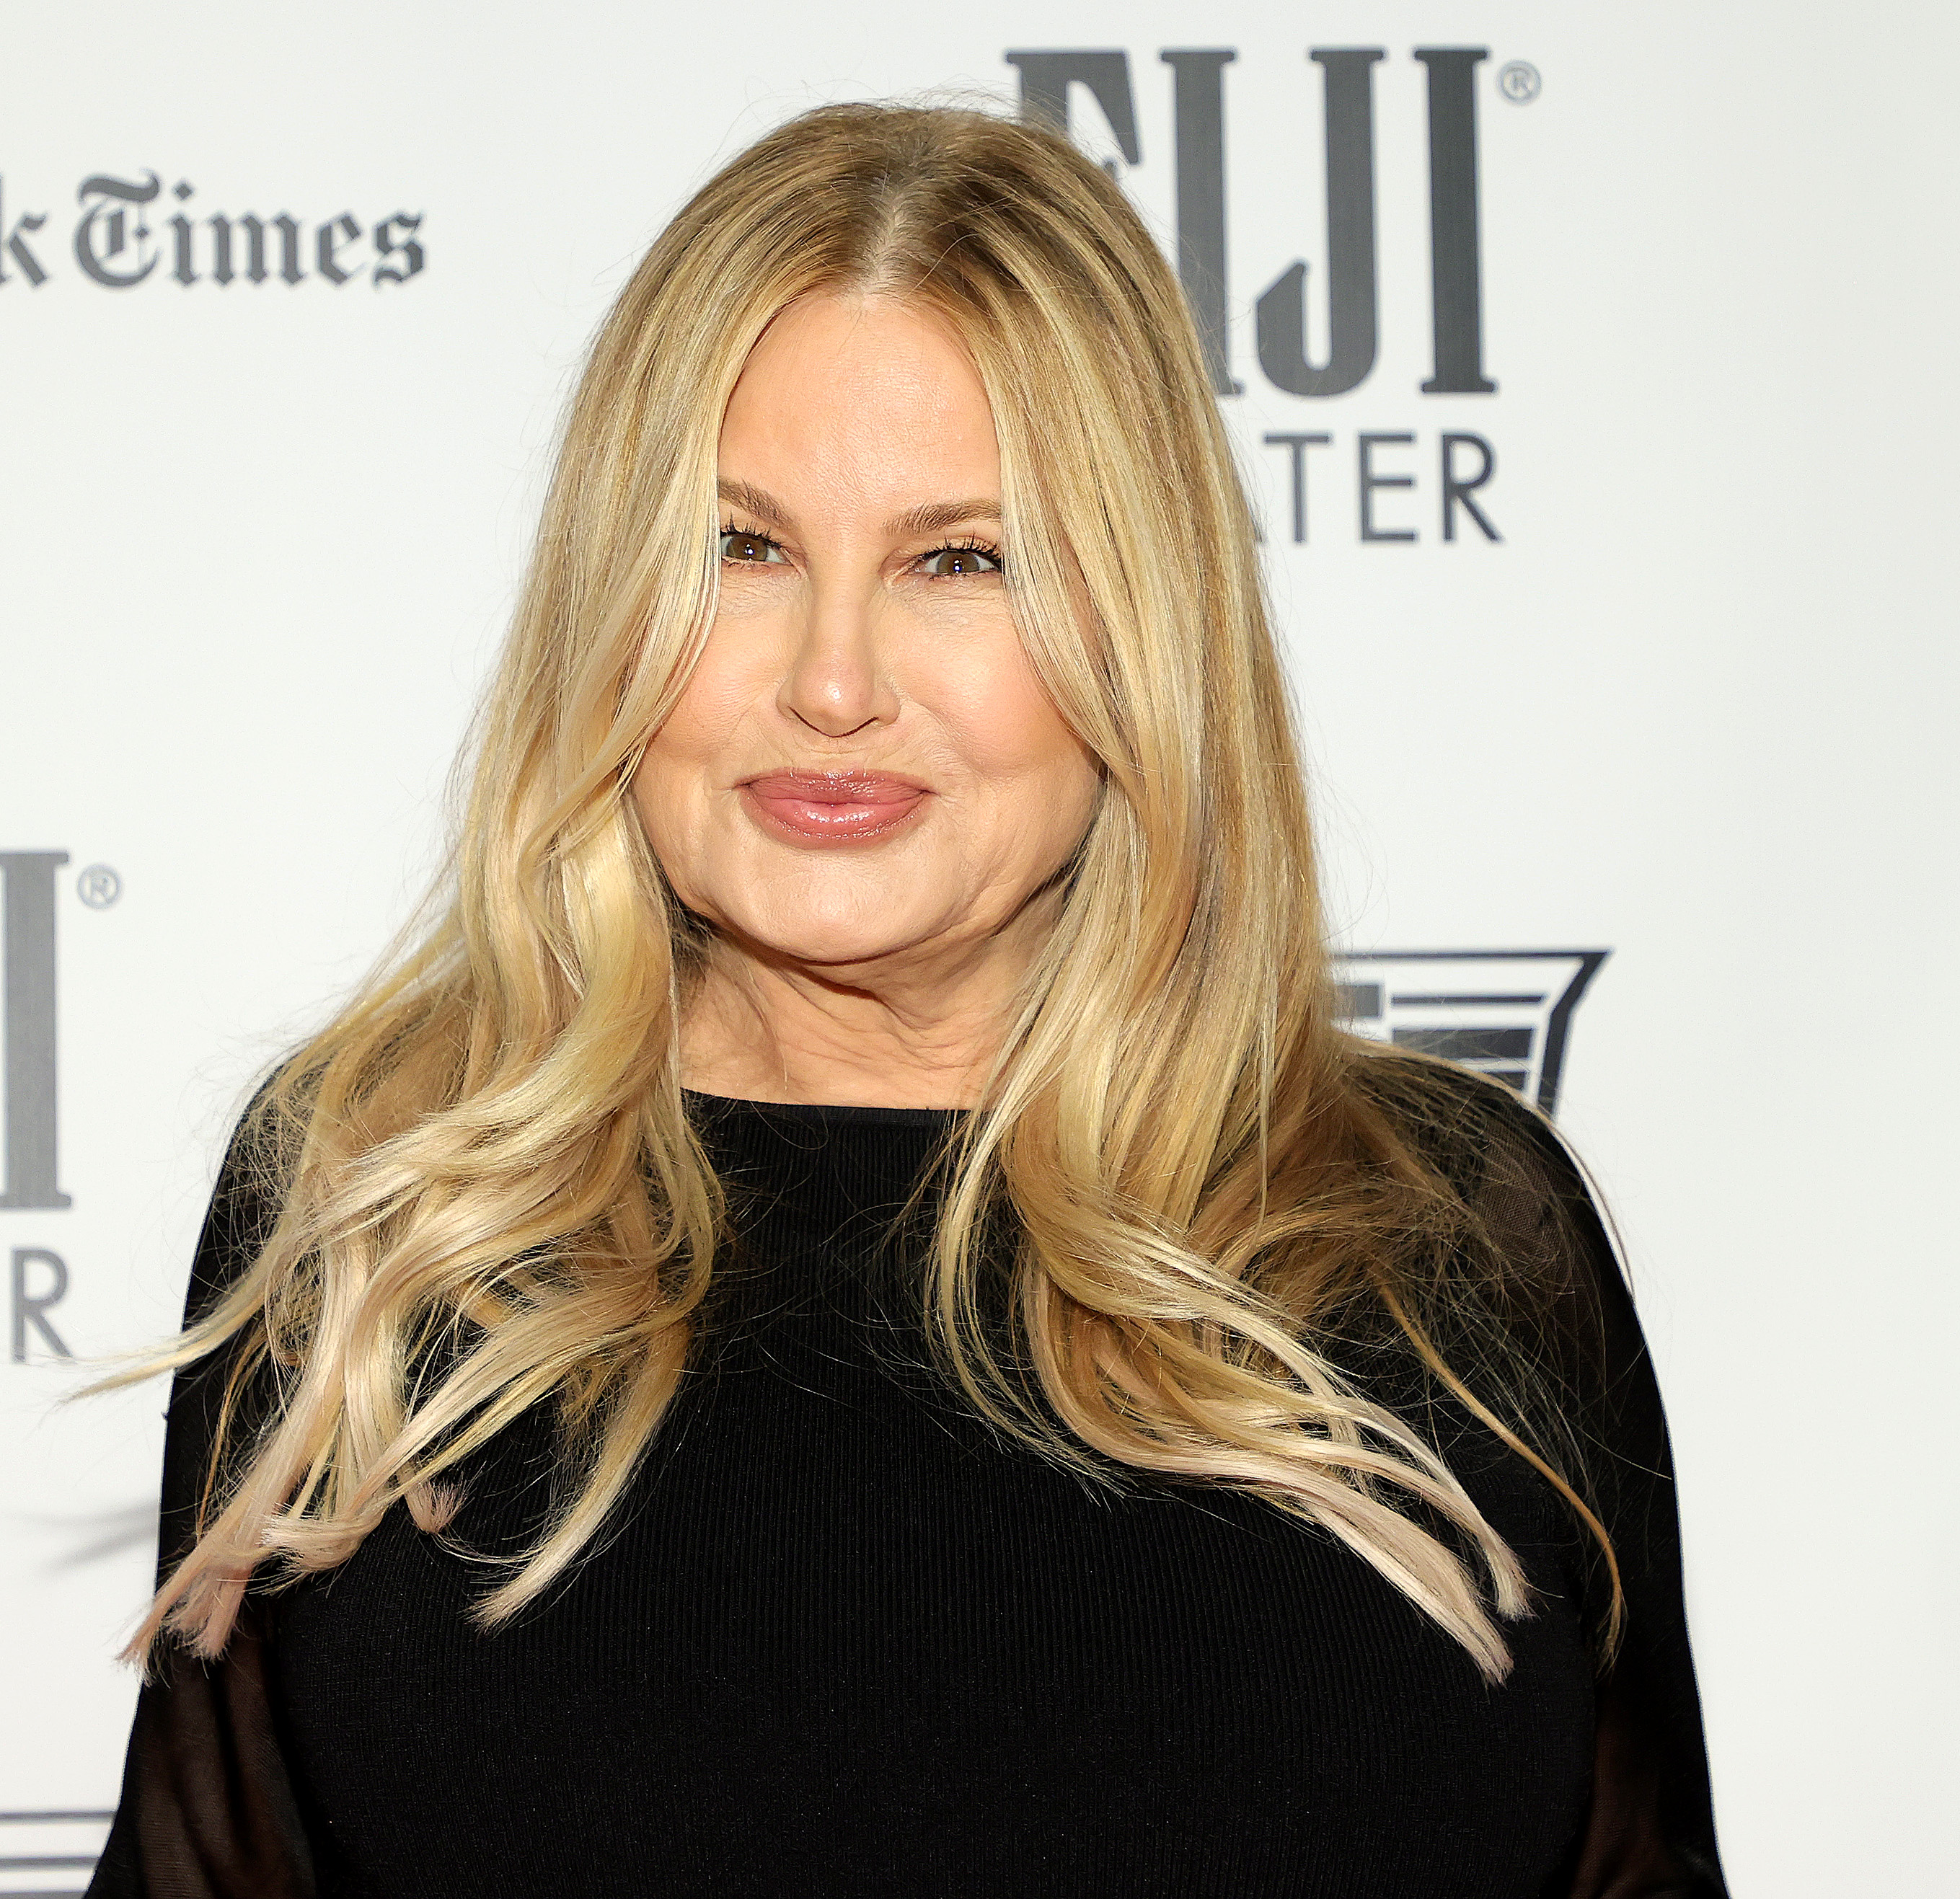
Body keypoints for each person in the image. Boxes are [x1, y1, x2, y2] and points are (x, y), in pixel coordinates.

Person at [88, 99, 1726, 1899]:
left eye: (961, 559)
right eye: (739, 547)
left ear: (1140, 627)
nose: (833, 681)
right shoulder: (390, 1214)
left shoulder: (1447, 1233)